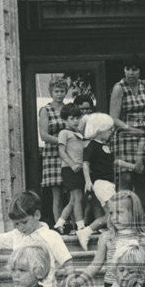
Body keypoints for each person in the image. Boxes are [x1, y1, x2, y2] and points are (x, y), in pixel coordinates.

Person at [65, 191, 145, 287]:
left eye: (119, 212)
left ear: (133, 213)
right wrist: (79, 281)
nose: (114, 217)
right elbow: (95, 265)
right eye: (111, 213)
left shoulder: (143, 238)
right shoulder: (107, 237)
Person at [110, 57, 145, 210]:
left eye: (134, 69)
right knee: (126, 179)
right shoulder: (119, 88)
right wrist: (132, 129)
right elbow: (113, 118)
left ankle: (142, 220)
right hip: (124, 137)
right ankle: (122, 216)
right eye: (128, 69)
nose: (131, 73)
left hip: (141, 137)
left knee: (141, 178)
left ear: (140, 70)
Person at [77, 113, 117, 251]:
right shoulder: (92, 146)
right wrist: (88, 181)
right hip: (100, 183)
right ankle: (86, 231)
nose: (112, 132)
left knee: (112, 213)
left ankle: (110, 236)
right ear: (99, 130)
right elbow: (85, 164)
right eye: (109, 129)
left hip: (109, 183)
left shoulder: (107, 146)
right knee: (112, 213)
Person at [38, 76, 70, 225]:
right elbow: (44, 135)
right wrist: (61, 140)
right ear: (51, 92)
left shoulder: (69, 109)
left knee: (72, 191)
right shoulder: (46, 110)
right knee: (57, 193)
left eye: (62, 91)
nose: (59, 94)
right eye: (56, 91)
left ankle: (74, 223)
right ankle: (59, 226)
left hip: (69, 153)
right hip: (52, 154)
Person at [53, 101, 88, 237]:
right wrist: (72, 164)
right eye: (71, 118)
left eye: (77, 118)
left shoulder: (79, 133)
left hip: (79, 169)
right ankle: (80, 226)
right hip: (69, 169)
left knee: (74, 200)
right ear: (65, 120)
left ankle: (58, 224)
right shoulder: (64, 133)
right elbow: (61, 151)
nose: (75, 121)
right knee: (77, 196)